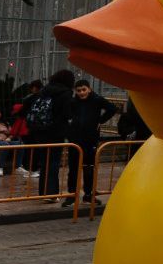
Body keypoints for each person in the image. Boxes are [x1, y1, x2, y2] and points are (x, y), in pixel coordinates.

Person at [64, 79, 117, 208]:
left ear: (89, 89)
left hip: (90, 140)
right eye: (78, 91)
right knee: (73, 169)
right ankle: (71, 196)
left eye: (84, 90)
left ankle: (88, 195)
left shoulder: (97, 99)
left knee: (89, 168)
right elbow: (67, 115)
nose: (81, 93)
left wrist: (100, 120)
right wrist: (70, 128)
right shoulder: (73, 101)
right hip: (75, 140)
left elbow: (112, 108)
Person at [31, 71, 76, 198]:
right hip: (56, 132)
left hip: (41, 131)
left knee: (44, 161)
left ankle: (43, 192)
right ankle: (51, 194)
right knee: (54, 162)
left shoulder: (45, 90)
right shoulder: (66, 93)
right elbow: (67, 114)